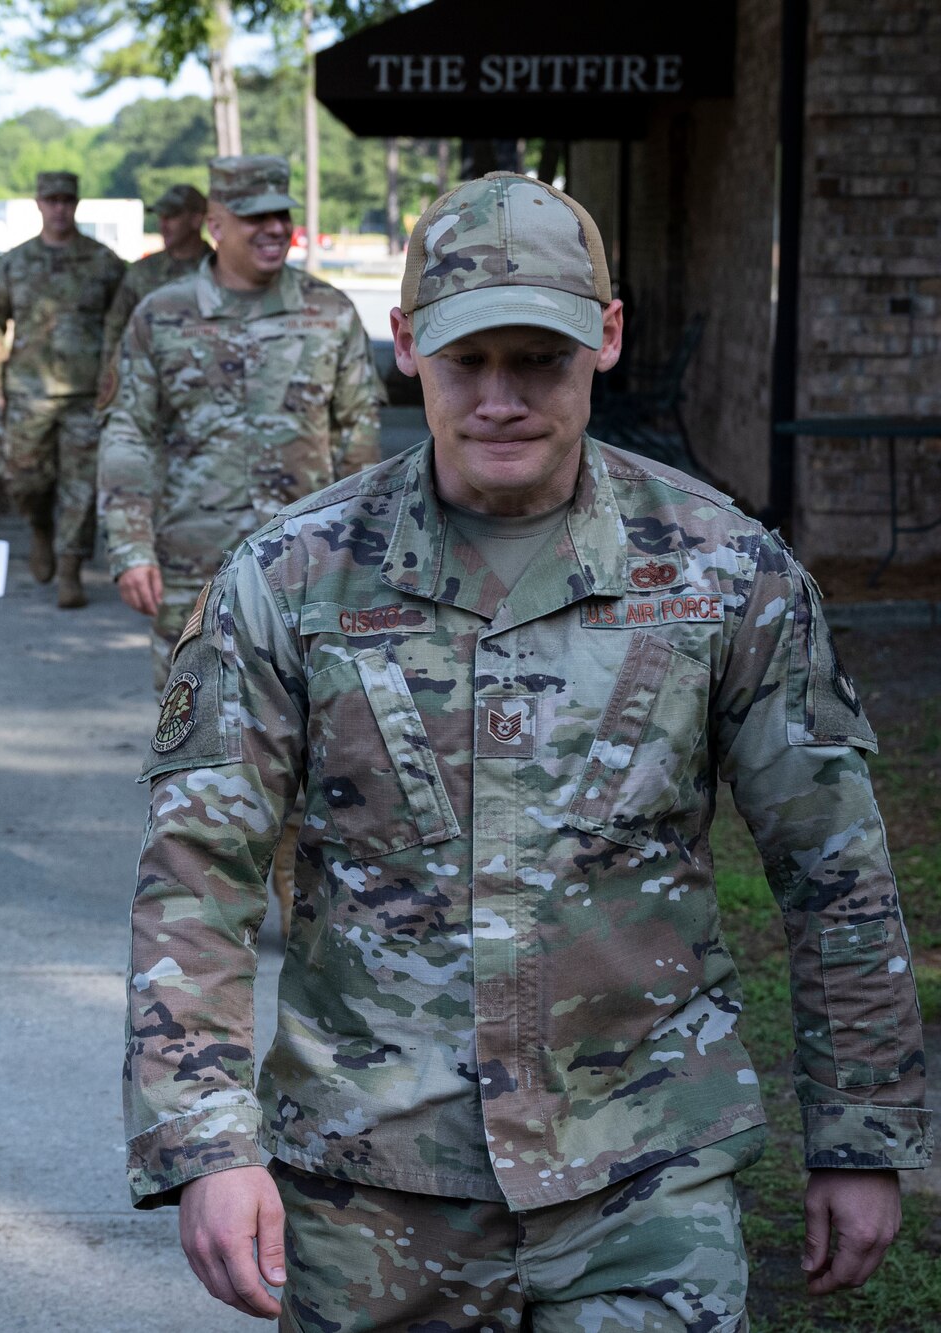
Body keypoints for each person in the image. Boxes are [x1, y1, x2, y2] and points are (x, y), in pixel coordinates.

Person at [123, 173, 931, 1328]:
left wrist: (860, 1131)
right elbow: (193, 879)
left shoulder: (723, 572)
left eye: (538, 360)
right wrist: (204, 1142)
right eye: (467, 361)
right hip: (372, 1183)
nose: (500, 398)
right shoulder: (286, 578)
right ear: (404, 346)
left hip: (642, 1168)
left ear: (604, 338)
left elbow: (834, 869)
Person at [98, 154, 382, 694]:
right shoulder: (161, 315)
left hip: (311, 563)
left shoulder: (330, 313)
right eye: (256, 216)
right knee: (194, 733)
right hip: (193, 566)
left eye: (281, 213)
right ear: (217, 224)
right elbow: (127, 433)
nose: (275, 227)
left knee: (318, 734)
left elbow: (359, 439)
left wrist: (363, 550)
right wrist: (130, 546)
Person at [0, 170, 127, 607]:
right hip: (29, 392)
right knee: (24, 479)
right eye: (52, 200)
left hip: (86, 395)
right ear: (39, 204)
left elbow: (123, 324)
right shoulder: (14, 263)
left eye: (67, 200)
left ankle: (70, 568)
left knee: (81, 487)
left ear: (76, 204)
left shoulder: (103, 262)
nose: (59, 207)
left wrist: (114, 378)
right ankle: (40, 528)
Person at [97, 182, 211, 390]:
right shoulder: (143, 272)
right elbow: (116, 329)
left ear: (196, 219)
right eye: (161, 217)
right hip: (151, 388)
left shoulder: (220, 269)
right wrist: (110, 382)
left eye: (172, 217)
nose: (163, 225)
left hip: (209, 389)